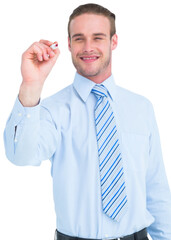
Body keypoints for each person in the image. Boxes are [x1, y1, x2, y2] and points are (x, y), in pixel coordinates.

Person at [3, 3, 171, 240]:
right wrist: (31, 85)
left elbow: (155, 187)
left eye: (98, 37)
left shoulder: (141, 108)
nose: (88, 47)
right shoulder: (50, 109)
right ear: (69, 44)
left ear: (114, 41)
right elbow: (20, 156)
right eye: (79, 38)